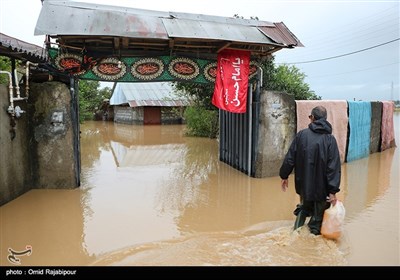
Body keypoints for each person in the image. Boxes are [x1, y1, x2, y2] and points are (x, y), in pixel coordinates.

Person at [279, 105, 341, 235]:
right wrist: (333, 191)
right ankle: (312, 243)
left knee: (304, 208)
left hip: (304, 186)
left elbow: (290, 158)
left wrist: (284, 175)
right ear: (324, 119)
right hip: (322, 190)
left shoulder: (301, 135)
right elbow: (333, 168)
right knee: (318, 219)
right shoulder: (330, 140)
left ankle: (295, 232)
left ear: (312, 118)